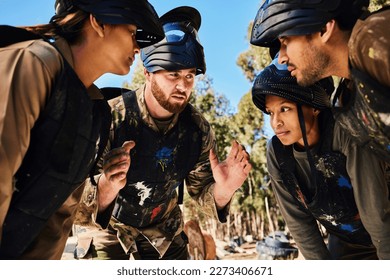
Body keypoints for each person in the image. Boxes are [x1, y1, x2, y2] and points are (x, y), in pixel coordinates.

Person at [71, 6, 252, 260]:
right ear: (147, 73)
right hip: (108, 228)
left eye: (189, 76)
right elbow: (73, 204)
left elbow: (202, 199)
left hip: (164, 232)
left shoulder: (197, 130)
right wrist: (105, 187)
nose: (183, 85)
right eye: (173, 74)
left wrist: (224, 189)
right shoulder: (109, 118)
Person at [0, 0, 164, 259]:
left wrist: (107, 186)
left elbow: (61, 211)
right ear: (98, 22)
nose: (137, 46)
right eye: (132, 33)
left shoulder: (92, 107)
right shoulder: (33, 64)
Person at [252, 58, 390, 259]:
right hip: (348, 244)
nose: (276, 122)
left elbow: (377, 216)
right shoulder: (278, 154)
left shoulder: (345, 132)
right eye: (270, 112)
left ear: (314, 105)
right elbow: (300, 226)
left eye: (285, 109)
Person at [250, 0, 390, 163]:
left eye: (285, 42)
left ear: (323, 29)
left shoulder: (374, 40)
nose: (281, 58)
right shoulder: (347, 92)